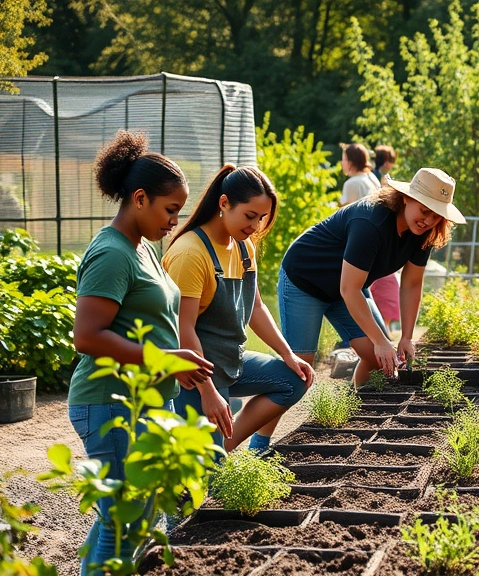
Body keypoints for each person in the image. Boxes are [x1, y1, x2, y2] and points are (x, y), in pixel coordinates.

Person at [69, 130, 214, 575]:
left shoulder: (144, 249)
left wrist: (178, 366)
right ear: (138, 198)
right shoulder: (112, 253)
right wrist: (163, 360)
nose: (176, 220)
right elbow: (88, 336)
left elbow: (153, 322)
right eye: (170, 209)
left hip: (146, 399)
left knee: (142, 513)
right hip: (110, 402)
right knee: (122, 520)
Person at [162, 165, 314, 451]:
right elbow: (183, 329)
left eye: (262, 218)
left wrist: (288, 354)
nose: (256, 226)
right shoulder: (190, 253)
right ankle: (212, 454)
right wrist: (207, 391)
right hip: (195, 373)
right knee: (201, 478)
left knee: (294, 379)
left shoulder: (244, 248)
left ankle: (222, 446)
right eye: (250, 216)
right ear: (224, 203)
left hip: (231, 361)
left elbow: (255, 307)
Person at [278, 168, 464, 384]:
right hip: (305, 280)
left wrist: (406, 337)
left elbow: (411, 284)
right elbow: (350, 289)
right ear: (406, 198)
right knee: (300, 370)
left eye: (436, 215)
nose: (429, 220)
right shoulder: (370, 222)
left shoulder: (423, 233)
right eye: (424, 211)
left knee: (379, 360)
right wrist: (380, 341)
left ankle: (355, 409)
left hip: (348, 289)